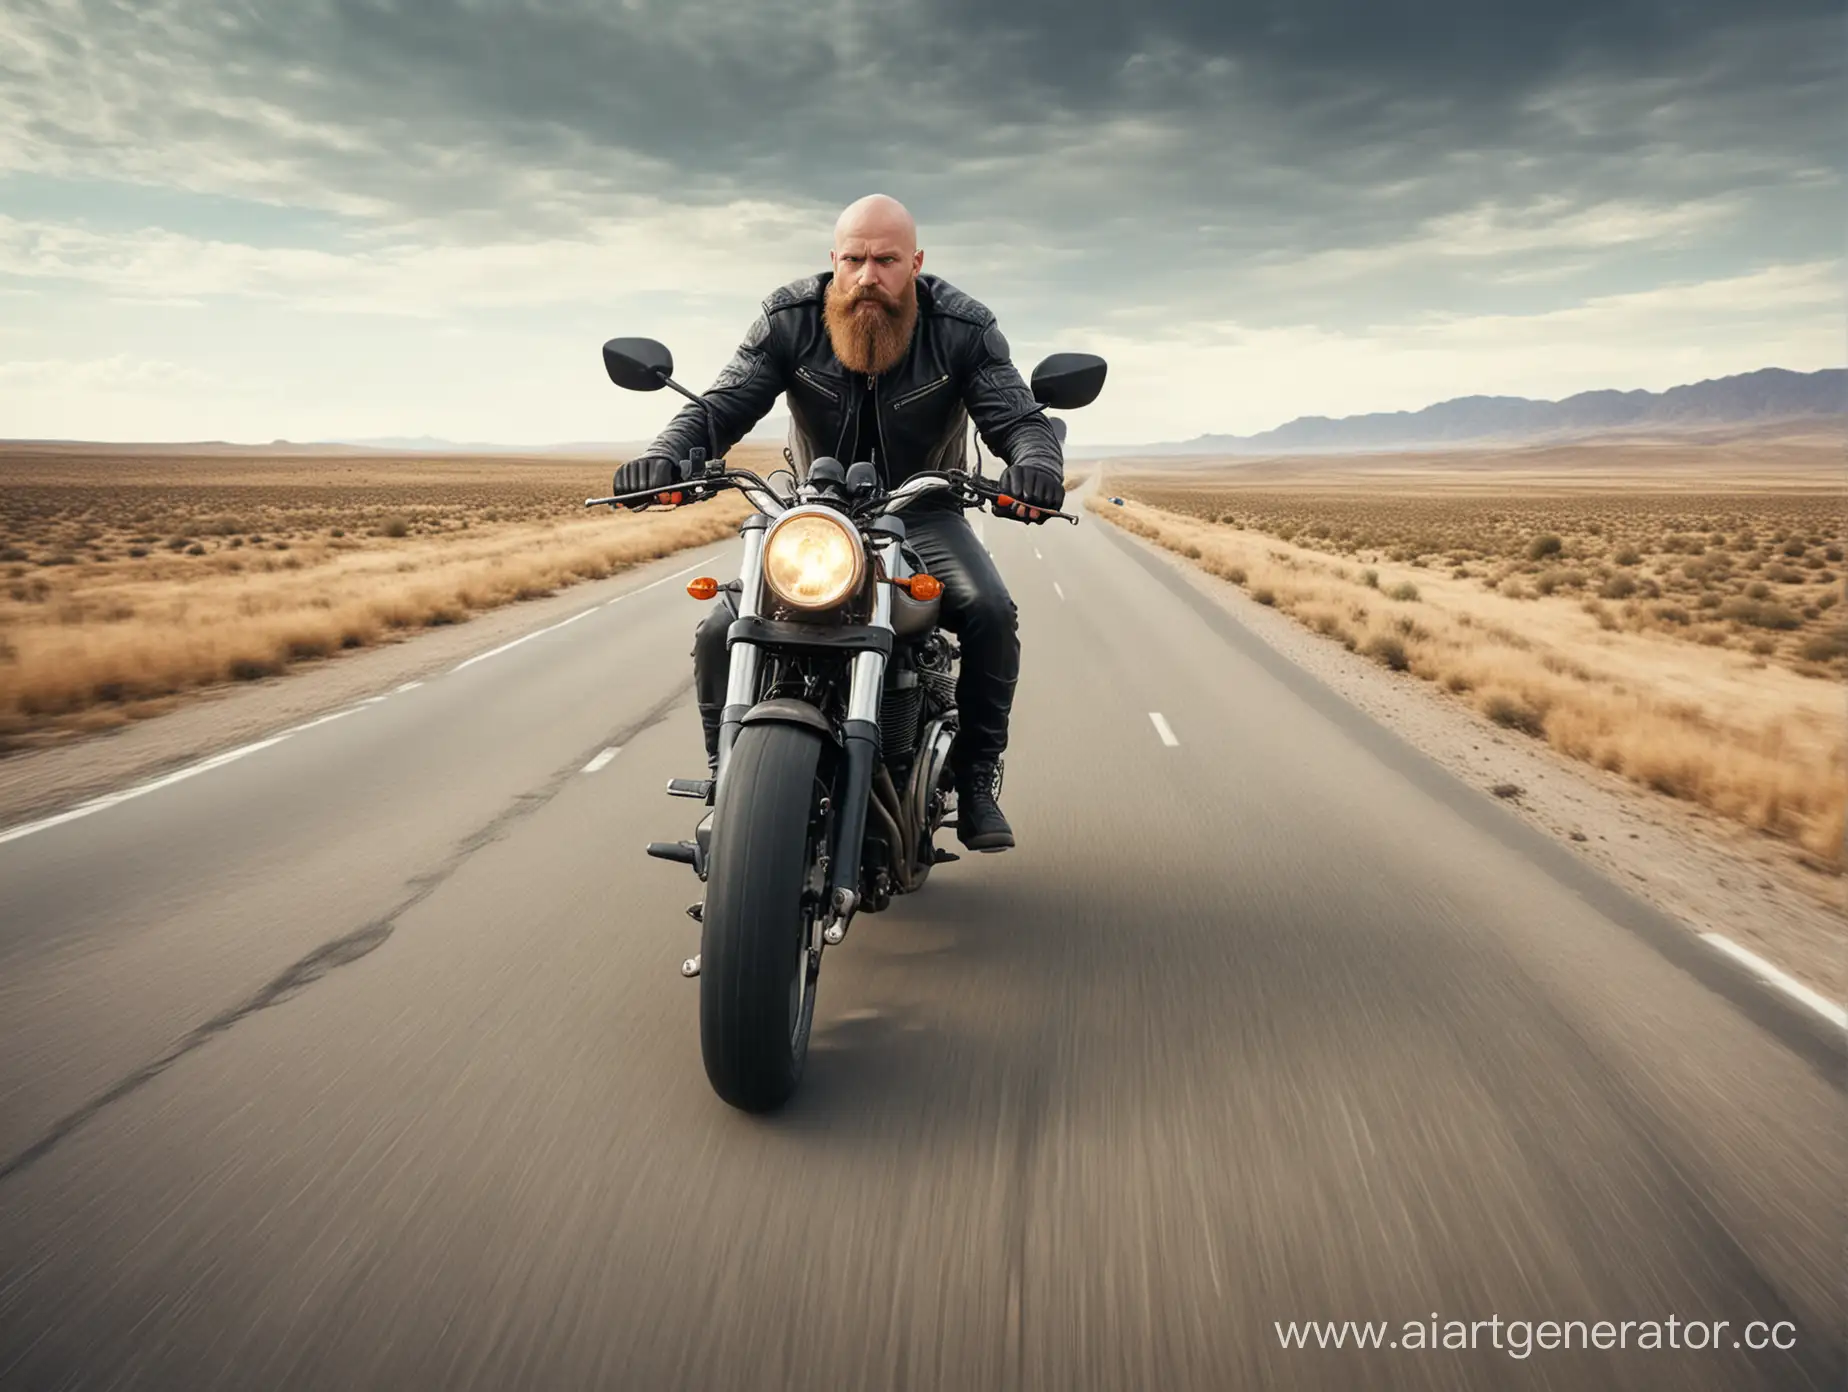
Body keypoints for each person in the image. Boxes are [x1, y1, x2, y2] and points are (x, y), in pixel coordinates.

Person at [611, 194, 1065, 851]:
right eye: (854, 259)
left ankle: (974, 779)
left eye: (885, 260)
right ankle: (727, 784)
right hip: (809, 513)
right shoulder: (790, 318)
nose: (867, 276)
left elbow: (1017, 416)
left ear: (915, 263)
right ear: (833, 261)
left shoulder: (962, 328)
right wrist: (661, 458)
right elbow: (720, 406)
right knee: (720, 627)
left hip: (923, 510)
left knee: (990, 610)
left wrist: (1035, 466)